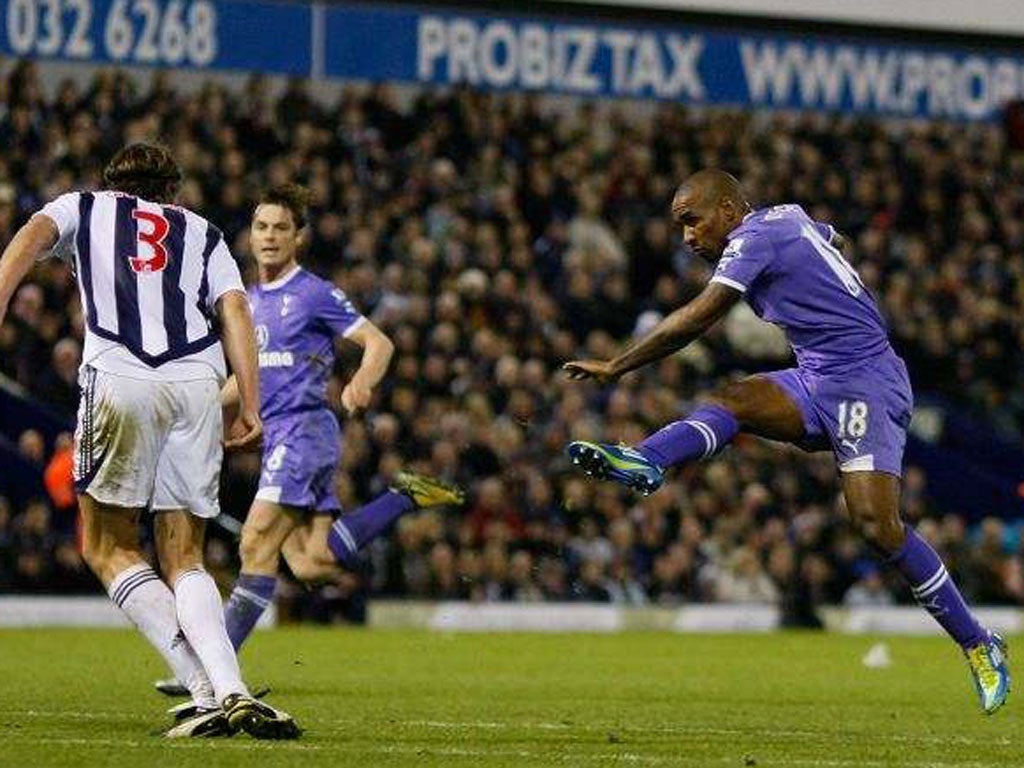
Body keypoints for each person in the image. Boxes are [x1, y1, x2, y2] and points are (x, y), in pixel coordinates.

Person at [564, 169, 1010, 715]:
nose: (687, 237)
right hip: (816, 372)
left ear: (728, 210)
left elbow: (695, 321)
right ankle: (648, 460)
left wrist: (617, 365)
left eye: (692, 221)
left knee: (876, 526)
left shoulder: (751, 240)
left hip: (866, 379)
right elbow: (834, 239)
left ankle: (978, 642)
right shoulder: (788, 217)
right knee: (734, 399)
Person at [0, 143, 299, 739]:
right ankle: (232, 687)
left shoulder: (83, 207)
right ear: (172, 191)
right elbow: (236, 311)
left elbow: (26, 242)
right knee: (184, 553)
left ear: (114, 182)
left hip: (118, 374)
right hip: (195, 380)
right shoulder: (203, 232)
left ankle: (201, 688)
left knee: (105, 545)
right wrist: (252, 400)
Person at [155, 185, 463, 697]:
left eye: (280, 228)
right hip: (281, 438)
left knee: (254, 543)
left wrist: (363, 381)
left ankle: (209, 673)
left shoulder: (314, 293)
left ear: (299, 236)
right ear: (250, 236)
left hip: (305, 431)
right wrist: (200, 410)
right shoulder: (247, 302)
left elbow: (378, 343)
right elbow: (246, 377)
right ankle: (403, 496)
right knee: (311, 564)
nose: (270, 237)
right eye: (262, 227)